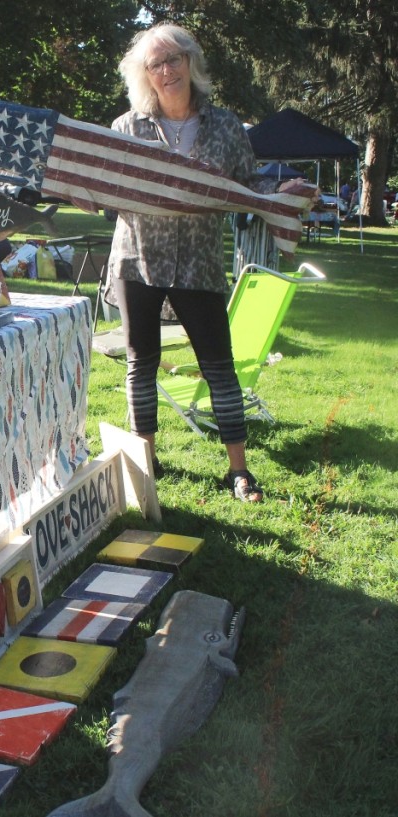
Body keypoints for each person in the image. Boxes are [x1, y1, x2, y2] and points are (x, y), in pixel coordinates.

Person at [107, 22, 311, 503]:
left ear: (191, 63)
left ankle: (239, 471)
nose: (166, 70)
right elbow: (109, 188)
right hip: (138, 259)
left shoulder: (225, 126)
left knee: (219, 368)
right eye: (155, 64)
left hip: (199, 263)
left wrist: (279, 192)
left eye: (173, 59)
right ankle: (145, 463)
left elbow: (246, 186)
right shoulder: (127, 126)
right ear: (145, 74)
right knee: (142, 365)